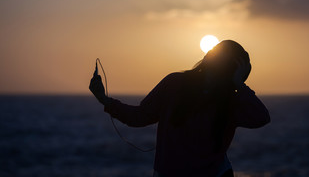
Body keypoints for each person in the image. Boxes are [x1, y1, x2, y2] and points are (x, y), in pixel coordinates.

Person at [89, 40, 270, 177]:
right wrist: (104, 100)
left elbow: (261, 118)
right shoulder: (174, 84)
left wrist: (240, 86)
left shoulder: (232, 98)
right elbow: (140, 116)